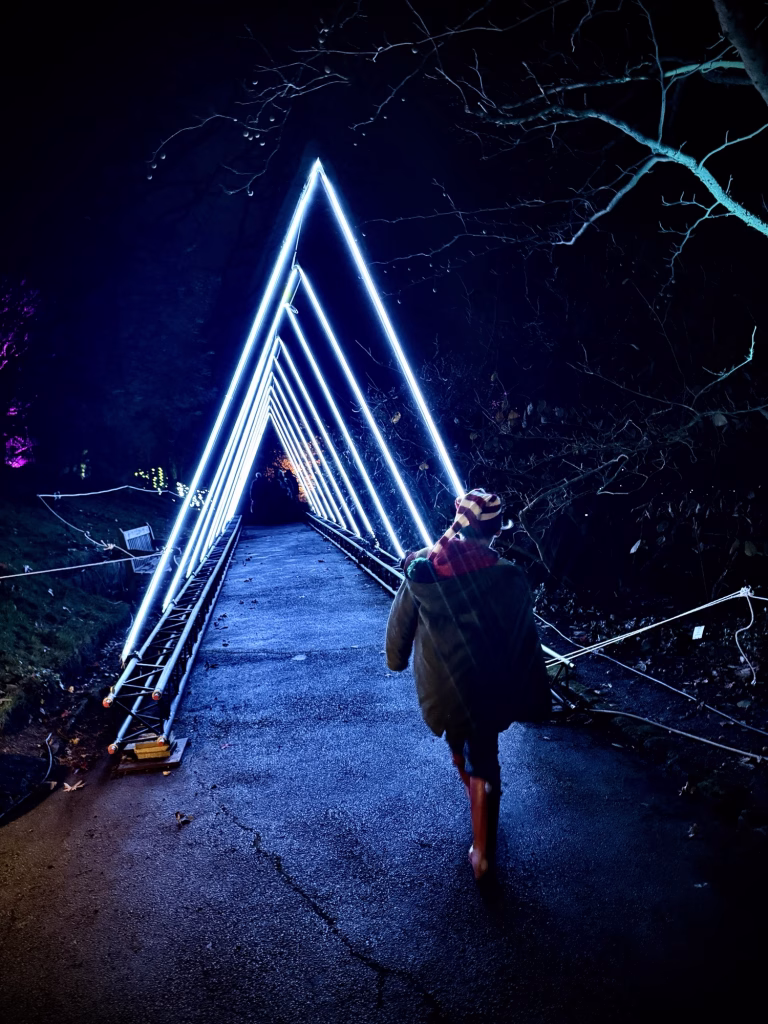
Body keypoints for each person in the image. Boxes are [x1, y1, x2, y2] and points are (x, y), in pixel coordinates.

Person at [385, 488, 551, 881]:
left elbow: (398, 628)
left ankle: (478, 806)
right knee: (485, 759)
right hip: (489, 686)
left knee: (458, 746)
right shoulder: (508, 577)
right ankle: (484, 848)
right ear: (495, 532)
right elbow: (524, 638)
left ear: (457, 521)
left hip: (442, 689)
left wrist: (396, 660)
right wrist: (531, 692)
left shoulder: (423, 569)